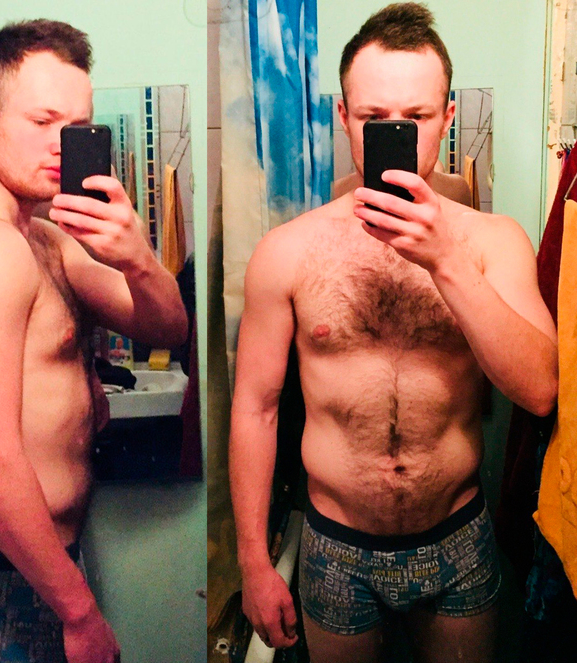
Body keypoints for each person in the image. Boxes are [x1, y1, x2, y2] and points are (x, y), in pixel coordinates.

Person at [229, 4, 557, 663]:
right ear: (342, 116)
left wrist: (446, 261)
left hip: (457, 537)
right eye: (373, 117)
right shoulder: (286, 251)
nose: (393, 133)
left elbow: (540, 389)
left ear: (448, 117)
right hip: (336, 545)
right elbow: (255, 409)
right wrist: (253, 563)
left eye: (414, 117)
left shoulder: (493, 242)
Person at [0, 19, 187, 663]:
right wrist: (80, 614)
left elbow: (168, 329)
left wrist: (138, 257)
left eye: (77, 126)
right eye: (42, 121)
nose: (63, 144)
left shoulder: (45, 238)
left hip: (40, 563)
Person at [333, 159, 472, 206]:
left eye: (417, 116)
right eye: (373, 117)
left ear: (447, 119)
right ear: (344, 118)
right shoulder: (338, 190)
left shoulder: (457, 189)